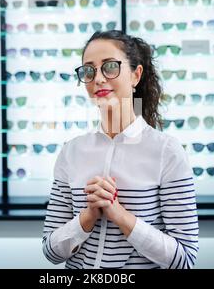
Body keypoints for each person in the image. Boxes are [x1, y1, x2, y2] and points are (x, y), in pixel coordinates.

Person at [42, 30, 198, 269]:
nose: (99, 79)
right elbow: (51, 252)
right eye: (89, 70)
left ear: (136, 75)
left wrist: (121, 216)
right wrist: (87, 216)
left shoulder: (167, 151)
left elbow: (184, 260)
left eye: (110, 67)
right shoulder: (71, 152)